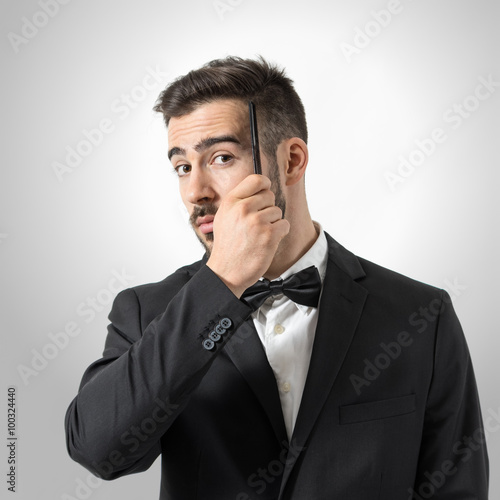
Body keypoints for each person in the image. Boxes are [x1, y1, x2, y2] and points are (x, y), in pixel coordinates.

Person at [65, 56, 489, 499]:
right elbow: (99, 452)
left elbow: (458, 487)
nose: (195, 192)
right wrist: (221, 284)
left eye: (221, 158)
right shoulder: (146, 311)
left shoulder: (421, 315)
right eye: (183, 167)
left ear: (291, 161)